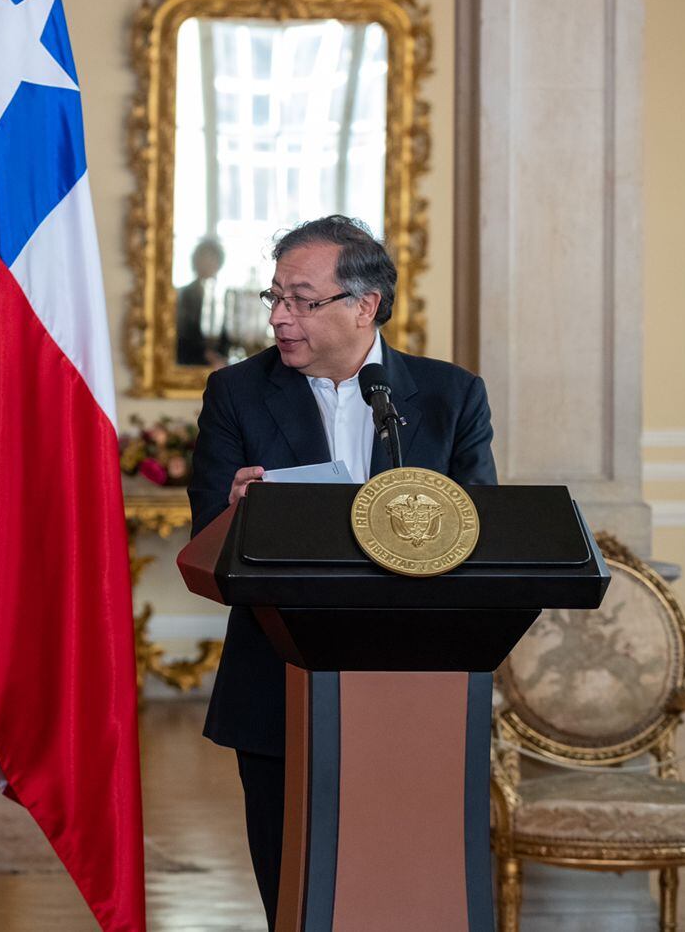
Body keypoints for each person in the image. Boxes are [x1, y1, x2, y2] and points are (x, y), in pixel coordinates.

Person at [186, 215, 496, 929]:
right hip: (279, 685)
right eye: (273, 298)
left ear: (366, 306)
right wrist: (239, 520)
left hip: (420, 693)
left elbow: (479, 540)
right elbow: (207, 552)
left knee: (409, 894)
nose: (279, 318)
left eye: (301, 299)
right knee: (293, 895)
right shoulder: (236, 393)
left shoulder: (450, 397)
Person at [176, 236, 230, 367]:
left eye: (213, 258)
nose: (209, 263)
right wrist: (205, 354)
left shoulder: (222, 295)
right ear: (196, 261)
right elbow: (184, 333)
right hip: (190, 362)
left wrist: (221, 356)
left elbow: (226, 334)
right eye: (205, 258)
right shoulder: (185, 294)